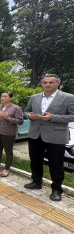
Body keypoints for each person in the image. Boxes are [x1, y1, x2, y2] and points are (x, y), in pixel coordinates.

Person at [24, 74, 74, 202]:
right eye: (45, 82)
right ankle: (36, 182)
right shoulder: (34, 97)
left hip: (56, 136)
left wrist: (53, 117)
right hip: (36, 134)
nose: (47, 85)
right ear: (42, 84)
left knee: (56, 164)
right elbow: (26, 111)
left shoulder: (68, 98)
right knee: (35, 160)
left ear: (58, 83)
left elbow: (72, 116)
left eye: (51, 82)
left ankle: (56, 189)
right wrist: (29, 115)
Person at [0, 91, 24, 177]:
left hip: (8, 133)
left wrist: (8, 118)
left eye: (5, 96)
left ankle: (6, 169)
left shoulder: (16, 108)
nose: (2, 98)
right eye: (2, 96)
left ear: (10, 98)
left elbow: (20, 121)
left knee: (8, 151)